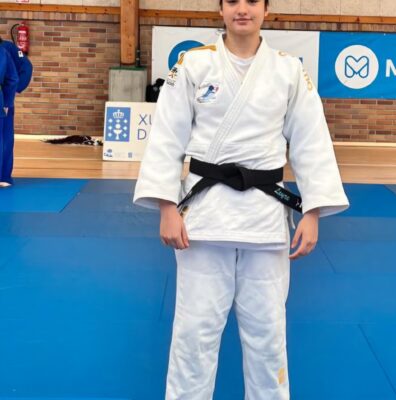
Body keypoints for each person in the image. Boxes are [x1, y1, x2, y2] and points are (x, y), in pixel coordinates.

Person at [133, 0, 349, 398]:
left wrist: (313, 210)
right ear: (220, 9)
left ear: (267, 9)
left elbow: (311, 141)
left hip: (264, 218)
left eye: (252, 1)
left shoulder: (288, 70)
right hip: (203, 219)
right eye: (232, 1)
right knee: (194, 333)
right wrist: (166, 206)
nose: (242, 9)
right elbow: (166, 137)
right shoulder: (194, 65)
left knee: (268, 335)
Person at [0, 38, 33, 187]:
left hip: (4, 99)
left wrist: (14, 91)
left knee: (5, 137)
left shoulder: (7, 48)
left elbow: (26, 66)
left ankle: (4, 176)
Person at [0, 41, 19, 188]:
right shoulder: (3, 52)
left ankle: (4, 176)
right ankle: (3, 177)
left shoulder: (4, 51)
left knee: (4, 139)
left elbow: (13, 79)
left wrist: (7, 102)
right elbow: (12, 79)